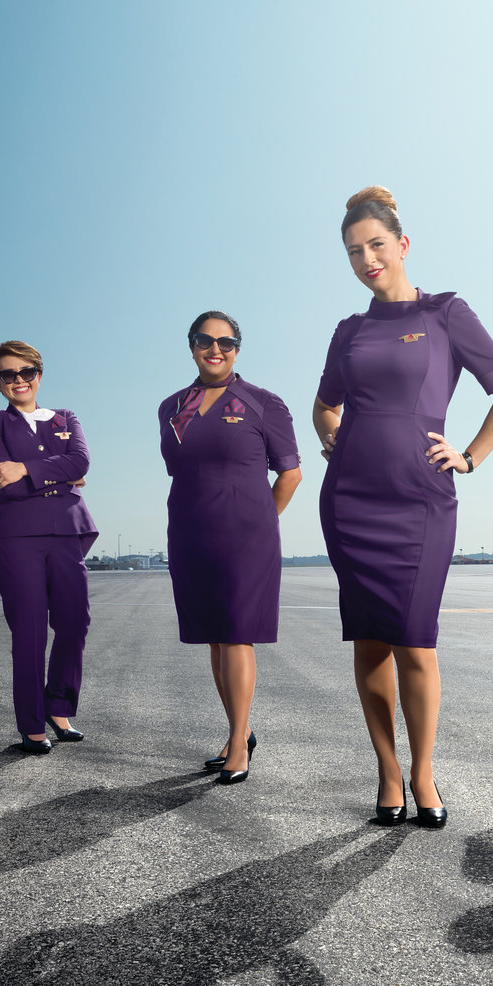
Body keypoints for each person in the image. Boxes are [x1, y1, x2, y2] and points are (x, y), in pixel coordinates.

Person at [312, 186, 493, 828]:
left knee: (415, 639)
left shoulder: (445, 312)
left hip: (421, 499)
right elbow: (325, 402)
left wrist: (470, 454)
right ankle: (386, 774)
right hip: (350, 498)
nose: (367, 259)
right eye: (354, 251)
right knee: (369, 639)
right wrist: (331, 438)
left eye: (376, 245)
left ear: (402, 246)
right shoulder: (348, 330)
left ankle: (424, 772)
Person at [158, 311, 303, 785]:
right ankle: (237, 731)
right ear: (191, 345)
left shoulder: (264, 403)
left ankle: (239, 741)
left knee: (238, 633)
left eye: (226, 341)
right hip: (189, 529)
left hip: (246, 534)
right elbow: (181, 470)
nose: (214, 349)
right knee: (216, 637)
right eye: (205, 340)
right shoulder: (171, 406)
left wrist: (260, 521)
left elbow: (290, 474)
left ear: (238, 347)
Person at [0, 340, 98, 755]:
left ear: (38, 375)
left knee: (75, 623)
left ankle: (58, 706)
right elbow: (3, 480)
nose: (18, 381)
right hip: (17, 537)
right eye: (7, 375)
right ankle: (32, 725)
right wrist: (59, 477)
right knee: (28, 633)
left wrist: (26, 468)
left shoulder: (66, 417)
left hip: (67, 531)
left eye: (25, 372)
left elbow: (80, 462)